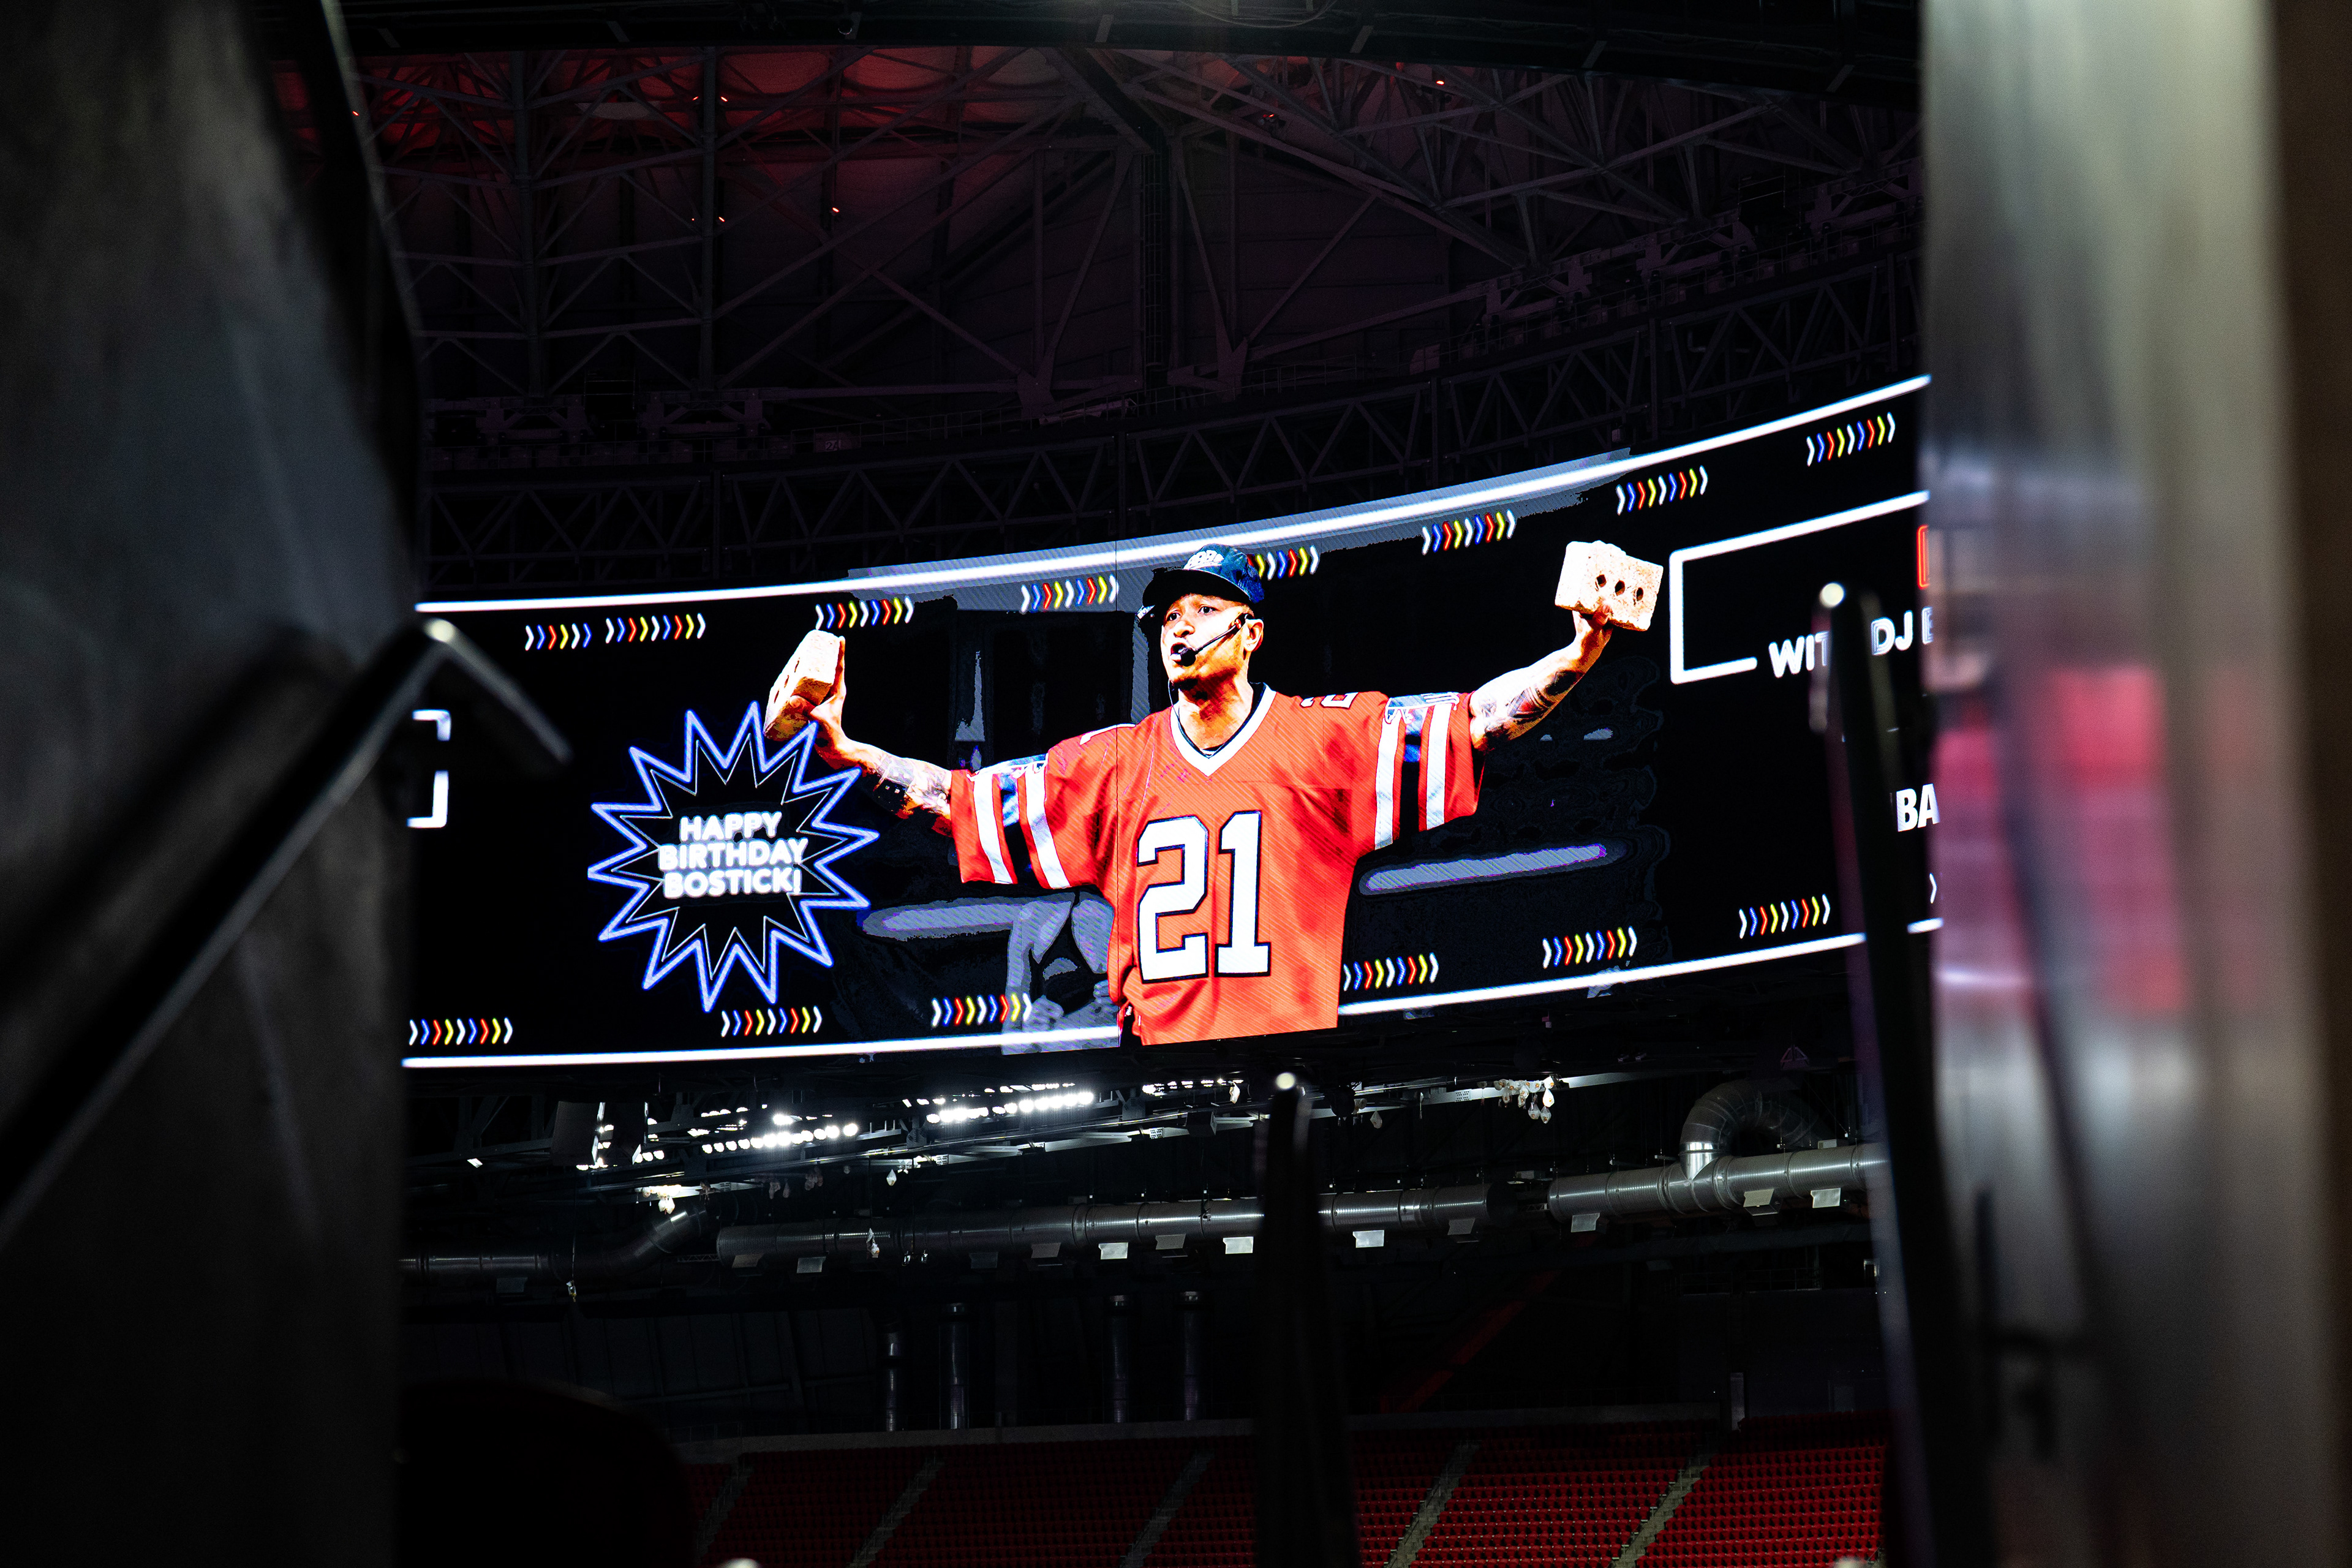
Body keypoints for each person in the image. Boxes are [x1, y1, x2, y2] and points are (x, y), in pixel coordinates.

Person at [773, 545, 1613, 1044]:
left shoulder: (1325, 738)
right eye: (1169, 617)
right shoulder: (1112, 763)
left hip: (1289, 1071)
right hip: (1154, 1085)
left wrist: (1577, 654)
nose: (1179, 627)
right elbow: (957, 801)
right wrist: (847, 749)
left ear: (1250, 634)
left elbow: (1476, 721)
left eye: (1203, 610)